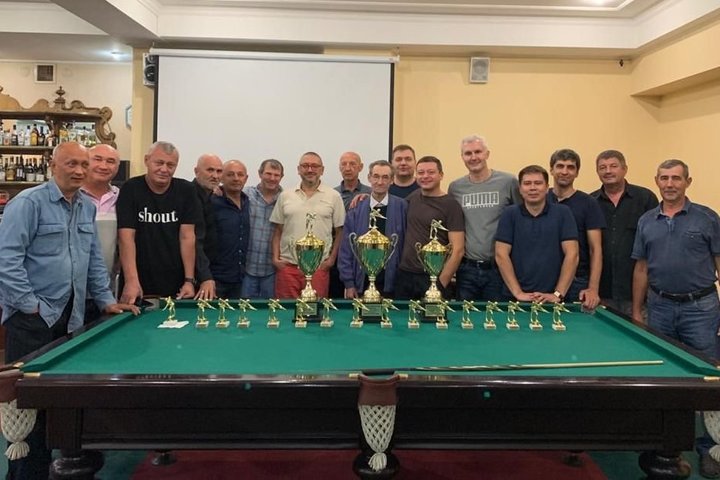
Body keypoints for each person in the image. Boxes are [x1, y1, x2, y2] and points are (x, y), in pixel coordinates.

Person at [0, 141, 138, 480]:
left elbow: (93, 261)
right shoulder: (28, 203)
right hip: (32, 320)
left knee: (62, 402)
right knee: (29, 412)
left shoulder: (85, 208)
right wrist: (30, 306)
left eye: (82, 165)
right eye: (71, 164)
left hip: (72, 317)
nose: (78, 170)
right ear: (53, 165)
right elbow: (6, 259)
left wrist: (105, 300)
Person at [631, 159, 720, 479]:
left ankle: (711, 448)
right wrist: (637, 311)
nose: (670, 184)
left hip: (701, 308)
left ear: (687, 182)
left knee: (710, 380)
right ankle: (661, 443)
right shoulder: (646, 220)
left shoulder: (707, 218)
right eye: (664, 178)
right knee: (662, 377)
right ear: (656, 180)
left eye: (676, 178)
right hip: (660, 307)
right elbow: (641, 268)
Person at [117, 141, 201, 304]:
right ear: (146, 160)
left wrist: (189, 280)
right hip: (138, 279)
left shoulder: (187, 190)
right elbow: (126, 238)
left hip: (176, 282)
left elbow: (187, 237)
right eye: (159, 163)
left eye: (170, 165)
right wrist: (131, 280)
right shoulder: (130, 188)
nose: (164, 169)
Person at [449, 134, 519, 301]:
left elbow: (521, 218)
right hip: (467, 270)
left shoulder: (508, 182)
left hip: (498, 269)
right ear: (462, 157)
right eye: (468, 153)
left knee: (496, 316)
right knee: (465, 315)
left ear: (487, 154)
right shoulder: (455, 188)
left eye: (478, 152)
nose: (473, 157)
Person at [495, 165, 579, 303]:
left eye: (538, 183)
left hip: (553, 298)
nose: (533, 188)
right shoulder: (509, 214)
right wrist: (518, 293)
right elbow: (501, 254)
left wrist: (557, 294)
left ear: (547, 188)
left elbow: (572, 254)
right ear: (520, 189)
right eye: (527, 183)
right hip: (515, 298)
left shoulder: (563, 213)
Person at [591, 149, 658, 316]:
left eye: (613, 166)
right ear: (597, 172)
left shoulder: (645, 198)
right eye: (602, 167)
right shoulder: (590, 202)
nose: (608, 171)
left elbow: (656, 244)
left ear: (625, 169)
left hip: (638, 295)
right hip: (602, 293)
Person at [270, 152, 345, 298]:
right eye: (305, 166)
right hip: (288, 268)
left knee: (314, 310)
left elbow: (339, 231)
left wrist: (330, 260)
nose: (310, 169)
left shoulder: (334, 196)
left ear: (322, 170)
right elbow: (278, 230)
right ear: (298, 169)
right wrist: (275, 258)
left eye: (315, 166)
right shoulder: (285, 195)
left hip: (318, 268)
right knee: (286, 310)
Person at [395, 156, 464, 300]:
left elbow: (458, 250)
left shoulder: (451, 205)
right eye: (421, 172)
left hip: (433, 277)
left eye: (431, 172)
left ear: (441, 175)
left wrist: (440, 284)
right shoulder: (412, 198)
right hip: (405, 276)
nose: (425, 176)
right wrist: (365, 196)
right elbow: (389, 204)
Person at [338, 160, 407, 298]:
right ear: (369, 178)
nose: (380, 182)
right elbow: (346, 249)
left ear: (392, 180)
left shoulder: (402, 207)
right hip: (361, 283)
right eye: (376, 176)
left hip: (392, 284)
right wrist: (349, 283)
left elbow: (405, 245)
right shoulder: (356, 208)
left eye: (385, 177)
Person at [548, 148, 606, 310]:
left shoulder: (589, 203)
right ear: (551, 170)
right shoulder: (540, 199)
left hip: (577, 282)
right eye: (560, 166)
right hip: (544, 279)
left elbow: (596, 249)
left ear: (577, 173)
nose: (564, 172)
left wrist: (593, 288)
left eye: (570, 167)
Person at [81, 143, 122, 322]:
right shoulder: (70, 196)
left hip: (107, 294)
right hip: (69, 294)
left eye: (110, 161)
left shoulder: (123, 198)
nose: (104, 166)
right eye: (97, 159)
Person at [242, 159, 284, 298]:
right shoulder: (245, 194)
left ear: (281, 177)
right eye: (268, 174)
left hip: (273, 270)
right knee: (245, 309)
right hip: (246, 268)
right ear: (260, 174)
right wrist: (218, 189)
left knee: (271, 310)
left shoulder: (286, 199)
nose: (272, 178)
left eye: (276, 175)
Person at [210, 160, 250, 299]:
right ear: (221, 177)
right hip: (215, 279)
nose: (236, 178)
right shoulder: (212, 202)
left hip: (239, 279)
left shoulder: (248, 202)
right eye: (230, 174)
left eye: (240, 174)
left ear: (246, 178)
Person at [192, 153, 223, 300]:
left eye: (219, 171)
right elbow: (194, 241)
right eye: (210, 170)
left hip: (209, 271)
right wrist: (205, 276)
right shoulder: (189, 196)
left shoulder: (213, 196)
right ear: (196, 171)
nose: (215, 176)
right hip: (193, 276)